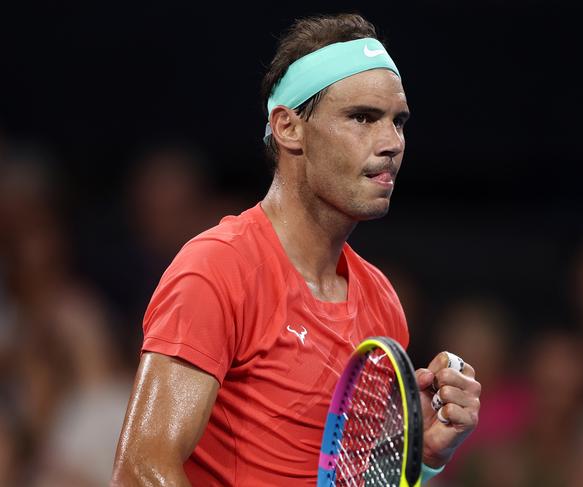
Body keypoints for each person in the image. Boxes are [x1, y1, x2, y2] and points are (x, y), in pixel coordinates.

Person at [111, 13, 481, 486]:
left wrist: (424, 458)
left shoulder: (383, 303)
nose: (391, 143)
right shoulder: (216, 269)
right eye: (362, 118)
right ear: (288, 128)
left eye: (398, 122)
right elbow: (140, 471)